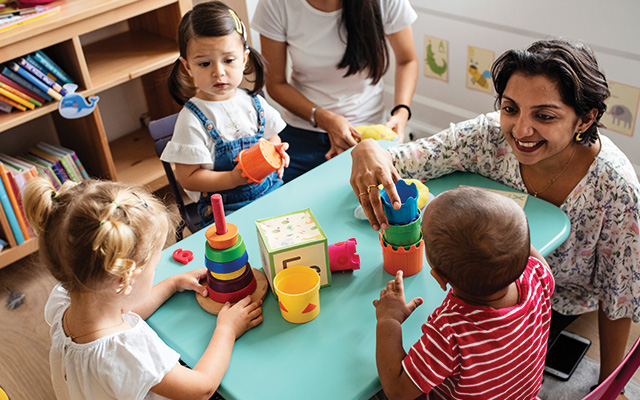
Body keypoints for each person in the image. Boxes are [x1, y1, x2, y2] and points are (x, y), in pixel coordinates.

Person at [352, 38, 640, 398]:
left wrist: (611, 384)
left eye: (544, 116)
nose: (520, 130)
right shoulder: (488, 136)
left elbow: (619, 295)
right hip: (514, 288)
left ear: (585, 118)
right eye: (510, 108)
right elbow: (410, 157)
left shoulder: (616, 187)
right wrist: (367, 148)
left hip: (555, 303)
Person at [24, 178, 263, 400]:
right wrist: (227, 329)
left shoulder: (66, 300)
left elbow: (123, 312)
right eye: (155, 266)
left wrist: (172, 283)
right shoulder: (127, 352)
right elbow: (202, 387)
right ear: (125, 280)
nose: (157, 271)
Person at [374, 186, 554, 399]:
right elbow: (526, 254)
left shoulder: (449, 333)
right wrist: (507, 234)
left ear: (441, 279)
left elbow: (397, 390)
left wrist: (389, 320)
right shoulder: (538, 276)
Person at [252, 0, 419, 182]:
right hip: (303, 132)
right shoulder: (275, 4)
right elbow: (275, 84)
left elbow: (407, 60)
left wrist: (402, 112)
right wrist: (325, 119)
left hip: (367, 132)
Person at [163, 1, 290, 226]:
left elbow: (272, 137)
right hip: (226, 210)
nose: (218, 72)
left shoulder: (254, 102)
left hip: (272, 191)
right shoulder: (192, 119)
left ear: (244, 58)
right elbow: (188, 178)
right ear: (187, 67)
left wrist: (275, 152)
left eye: (228, 60)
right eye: (204, 64)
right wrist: (233, 179)